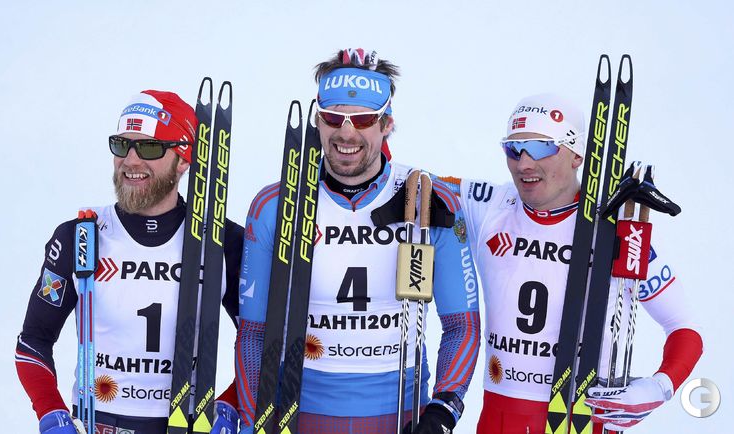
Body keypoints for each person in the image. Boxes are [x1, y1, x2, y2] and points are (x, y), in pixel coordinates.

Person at [235, 48, 480, 434]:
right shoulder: (276, 205)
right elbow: (253, 333)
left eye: (364, 119)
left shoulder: (428, 200)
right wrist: (254, 422)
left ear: (387, 124)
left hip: (401, 417)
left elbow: (461, 325)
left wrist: (442, 412)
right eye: (333, 118)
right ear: (318, 121)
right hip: (300, 415)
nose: (346, 133)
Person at [440, 93, 703, 433]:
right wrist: (372, 118)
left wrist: (660, 386)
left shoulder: (617, 230)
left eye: (540, 148)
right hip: (499, 418)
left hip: (581, 419)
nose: (523, 163)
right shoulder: (490, 203)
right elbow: (409, 184)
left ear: (578, 155)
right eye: (513, 149)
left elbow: (683, 325)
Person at [15, 90, 244, 434]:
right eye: (122, 145)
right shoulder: (80, 236)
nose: (131, 160)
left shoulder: (221, 242)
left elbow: (262, 342)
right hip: (98, 423)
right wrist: (51, 413)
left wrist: (229, 405)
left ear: (183, 160)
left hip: (187, 424)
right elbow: (33, 341)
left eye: (149, 147)